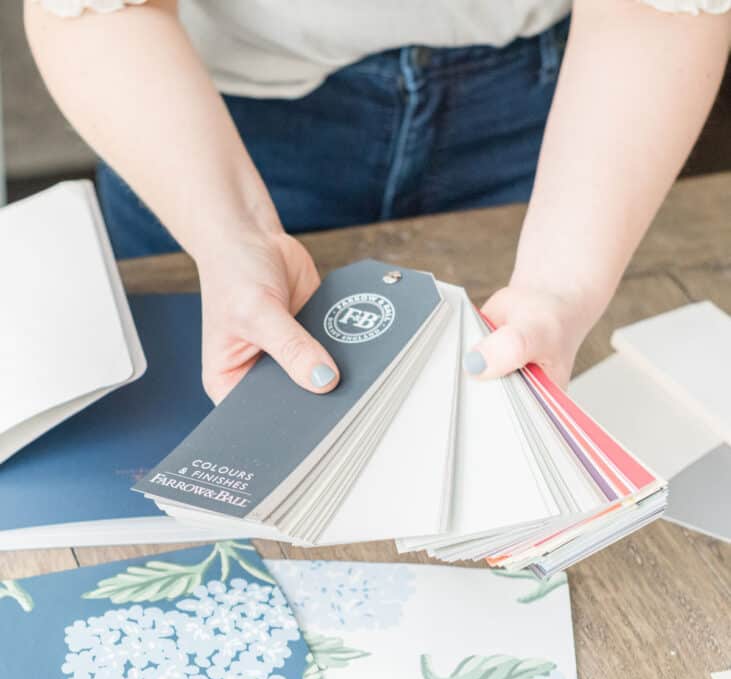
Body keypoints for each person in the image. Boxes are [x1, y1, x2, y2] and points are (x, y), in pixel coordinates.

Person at [25, 0, 730, 402]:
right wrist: (231, 239)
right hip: (193, 120)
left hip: (560, 114)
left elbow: (661, 9)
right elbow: (87, 10)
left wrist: (561, 286)